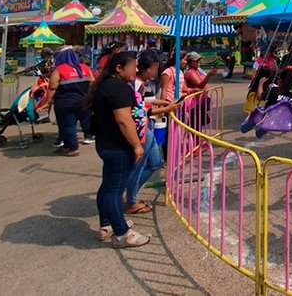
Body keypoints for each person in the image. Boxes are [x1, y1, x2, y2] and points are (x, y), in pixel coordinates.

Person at [85, 50, 150, 248]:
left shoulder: (104, 85)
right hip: (118, 147)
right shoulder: (118, 88)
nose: (136, 69)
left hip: (106, 144)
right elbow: (124, 120)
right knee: (114, 190)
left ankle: (107, 225)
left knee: (107, 187)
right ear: (119, 68)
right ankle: (123, 234)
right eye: (133, 66)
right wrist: (137, 146)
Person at [125, 51, 174, 214]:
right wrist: (166, 108)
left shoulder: (142, 84)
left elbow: (147, 102)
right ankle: (131, 201)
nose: (157, 72)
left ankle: (130, 194)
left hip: (146, 128)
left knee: (155, 162)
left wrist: (166, 103)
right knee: (139, 166)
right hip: (141, 130)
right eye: (154, 68)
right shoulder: (135, 85)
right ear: (146, 69)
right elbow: (140, 111)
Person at [38, 46, 95, 156]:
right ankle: (70, 144)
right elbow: (92, 83)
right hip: (83, 101)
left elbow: (52, 88)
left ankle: (73, 148)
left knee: (68, 125)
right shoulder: (84, 68)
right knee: (81, 122)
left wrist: (47, 102)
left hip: (65, 103)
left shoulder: (59, 69)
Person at [184, 52, 218, 129]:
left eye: (199, 59)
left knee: (199, 123)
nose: (198, 61)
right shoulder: (190, 72)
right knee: (195, 124)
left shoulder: (198, 70)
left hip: (200, 101)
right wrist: (209, 75)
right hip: (195, 103)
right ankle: (194, 140)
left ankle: (197, 139)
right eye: (196, 60)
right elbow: (200, 85)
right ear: (190, 62)